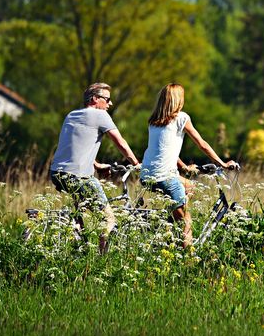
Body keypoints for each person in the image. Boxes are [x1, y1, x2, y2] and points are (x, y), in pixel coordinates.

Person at [140, 83, 238, 249]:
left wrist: (184, 167)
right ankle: (188, 261)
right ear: (178, 100)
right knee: (187, 222)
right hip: (165, 177)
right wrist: (222, 163)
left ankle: (171, 222)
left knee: (189, 186)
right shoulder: (181, 118)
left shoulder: (154, 121)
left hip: (147, 175)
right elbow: (202, 144)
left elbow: (164, 149)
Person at [50, 83, 141, 253]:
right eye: (107, 99)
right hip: (78, 176)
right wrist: (136, 164)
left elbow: (76, 146)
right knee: (108, 219)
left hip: (57, 173)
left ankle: (78, 249)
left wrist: (97, 164)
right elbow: (120, 142)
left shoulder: (71, 115)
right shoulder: (100, 115)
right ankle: (101, 261)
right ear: (94, 100)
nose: (110, 104)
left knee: (80, 214)